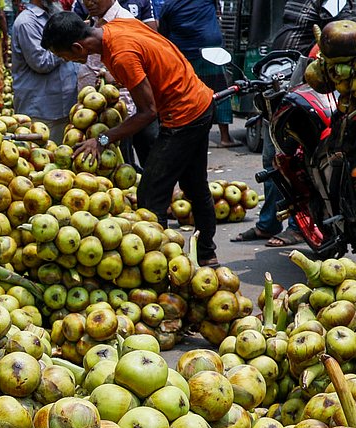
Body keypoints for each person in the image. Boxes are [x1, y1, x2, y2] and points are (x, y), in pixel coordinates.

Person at [41, 12, 219, 264]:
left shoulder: (121, 54)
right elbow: (148, 57)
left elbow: (148, 113)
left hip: (183, 116)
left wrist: (103, 139)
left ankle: (159, 262)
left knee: (150, 195)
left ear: (77, 47)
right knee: (195, 185)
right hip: (200, 100)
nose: (68, 61)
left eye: (64, 56)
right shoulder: (116, 27)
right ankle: (207, 254)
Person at [235, 0, 351, 246]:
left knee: (298, 158)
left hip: (310, 86)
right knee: (272, 157)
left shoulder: (332, 1)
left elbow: (340, 35)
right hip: (285, 82)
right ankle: (268, 222)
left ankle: (300, 225)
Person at [72, 0, 158, 169]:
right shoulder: (91, 19)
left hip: (130, 106)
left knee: (149, 165)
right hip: (100, 109)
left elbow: (148, 111)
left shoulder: (124, 28)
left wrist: (103, 139)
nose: (89, 3)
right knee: (121, 165)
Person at [157, 0, 237, 147]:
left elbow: (163, 33)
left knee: (189, 95)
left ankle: (193, 134)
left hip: (186, 55)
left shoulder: (168, 5)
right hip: (206, 51)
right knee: (221, 93)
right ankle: (224, 137)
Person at [11, 0, 80, 142]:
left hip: (66, 107)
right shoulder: (27, 22)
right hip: (42, 111)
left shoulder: (56, 15)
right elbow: (41, 62)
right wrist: (68, 45)